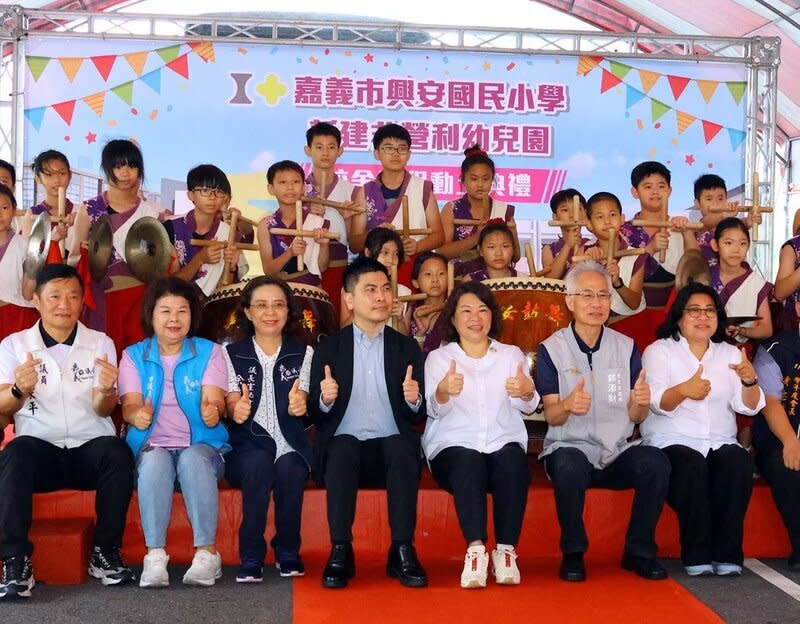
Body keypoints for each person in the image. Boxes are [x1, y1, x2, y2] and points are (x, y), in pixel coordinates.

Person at [0, 264, 135, 599]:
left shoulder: (100, 342)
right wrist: (19, 389)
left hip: (89, 448)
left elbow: (105, 410)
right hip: (41, 451)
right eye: (55, 296)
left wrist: (106, 391)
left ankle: (105, 552)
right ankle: (15, 561)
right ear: (36, 300)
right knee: (15, 453)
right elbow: (3, 408)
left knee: (117, 451)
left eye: (73, 296)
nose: (64, 304)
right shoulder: (14, 345)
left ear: (82, 302)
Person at [536, 261, 670, 582]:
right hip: (569, 446)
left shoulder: (625, 348)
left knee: (656, 462)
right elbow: (552, 415)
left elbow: (636, 417)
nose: (596, 304)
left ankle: (638, 551)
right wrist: (568, 405)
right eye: (587, 295)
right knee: (568, 464)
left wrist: (640, 404)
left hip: (615, 451)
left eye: (603, 295)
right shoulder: (551, 349)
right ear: (569, 301)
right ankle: (573, 552)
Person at [309, 256, 428, 589]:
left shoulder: (406, 348)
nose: (381, 297)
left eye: (386, 289)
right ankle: (341, 550)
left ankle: (402, 548)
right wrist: (324, 399)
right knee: (343, 445)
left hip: (391, 453)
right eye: (370, 289)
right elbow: (316, 417)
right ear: (349, 299)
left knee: (403, 446)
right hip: (344, 456)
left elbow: (417, 417)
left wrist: (413, 399)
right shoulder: (329, 348)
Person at [642, 282, 764, 576]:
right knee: (692, 464)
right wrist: (685, 389)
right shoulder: (660, 351)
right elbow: (659, 403)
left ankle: (728, 554)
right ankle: (696, 553)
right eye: (694, 310)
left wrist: (749, 381)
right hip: (671, 439)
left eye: (710, 310)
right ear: (679, 316)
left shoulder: (731, 354)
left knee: (737, 461)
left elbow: (748, 407)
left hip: (720, 439)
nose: (703, 317)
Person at [424, 281, 538, 588]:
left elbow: (526, 403)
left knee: (513, 461)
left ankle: (505, 551)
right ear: (453, 318)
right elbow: (434, 410)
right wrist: (444, 392)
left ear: (492, 316)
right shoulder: (439, 358)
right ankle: (475, 550)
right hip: (453, 445)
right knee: (468, 460)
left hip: (501, 440)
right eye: (466, 310)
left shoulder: (510, 355)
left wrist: (528, 392)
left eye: (483, 310)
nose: (476, 317)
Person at [119, 277, 229, 588]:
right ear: (151, 315)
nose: (174, 319)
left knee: (193, 459)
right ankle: (155, 555)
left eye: (182, 311)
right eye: (165, 311)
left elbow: (215, 399)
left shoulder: (211, 352)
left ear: (192, 316)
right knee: (154, 461)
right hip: (153, 446)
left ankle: (207, 554)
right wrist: (136, 414)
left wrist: (213, 410)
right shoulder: (133, 355)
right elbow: (129, 405)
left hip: (202, 446)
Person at [223, 276, 313, 582]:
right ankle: (251, 554)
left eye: (278, 305)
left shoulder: (304, 354)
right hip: (246, 448)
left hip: (290, 444)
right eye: (260, 305)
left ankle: (288, 550)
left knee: (290, 467)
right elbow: (228, 401)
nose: (270, 312)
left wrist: (301, 405)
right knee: (259, 463)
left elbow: (308, 401)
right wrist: (235, 409)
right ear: (247, 312)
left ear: (288, 311)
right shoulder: (230, 355)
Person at [69, 139, 164, 356]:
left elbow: (158, 263)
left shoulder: (152, 213)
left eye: (131, 165)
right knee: (101, 359)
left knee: (138, 359)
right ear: (107, 169)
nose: (125, 172)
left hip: (140, 299)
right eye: (118, 166)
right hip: (101, 297)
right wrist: (87, 253)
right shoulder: (90, 209)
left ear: (140, 170)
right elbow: (74, 257)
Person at [350, 124, 444, 285]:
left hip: (412, 268)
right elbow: (354, 243)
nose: (395, 153)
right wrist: (375, 234)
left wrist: (418, 246)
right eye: (388, 148)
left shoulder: (423, 188)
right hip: (375, 271)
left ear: (409, 154)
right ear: (376, 153)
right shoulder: (365, 192)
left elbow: (439, 236)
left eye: (401, 148)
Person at [752, 297, 800, 571]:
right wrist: (790, 440)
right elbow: (771, 403)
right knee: (787, 467)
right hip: (780, 438)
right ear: (798, 307)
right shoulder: (775, 349)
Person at [620, 161, 699, 308]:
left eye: (661, 186)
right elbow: (617, 273)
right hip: (632, 313)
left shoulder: (679, 227)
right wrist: (650, 249)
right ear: (635, 192)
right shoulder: (623, 231)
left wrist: (687, 232)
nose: (655, 192)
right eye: (648, 187)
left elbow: (695, 270)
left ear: (669, 190)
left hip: (672, 312)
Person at [166, 164, 248, 299]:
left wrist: (232, 267)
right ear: (191, 195)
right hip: (176, 308)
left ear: (225, 198)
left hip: (212, 313)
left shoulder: (231, 234)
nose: (212, 197)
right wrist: (200, 259)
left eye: (219, 192)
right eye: (205, 190)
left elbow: (227, 292)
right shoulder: (170, 228)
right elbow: (165, 285)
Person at [303, 122, 359, 313]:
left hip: (337, 267)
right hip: (302, 269)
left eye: (331, 147)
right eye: (319, 147)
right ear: (308, 150)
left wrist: (348, 218)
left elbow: (355, 244)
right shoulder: (296, 188)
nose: (325, 153)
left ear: (340, 150)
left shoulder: (352, 191)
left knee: (335, 324)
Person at [438, 146, 516, 276]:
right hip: (458, 280)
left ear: (492, 180)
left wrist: (513, 233)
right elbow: (442, 251)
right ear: (463, 180)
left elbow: (515, 257)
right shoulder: (451, 209)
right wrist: (475, 238)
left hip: (497, 280)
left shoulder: (504, 210)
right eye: (474, 179)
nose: (480, 184)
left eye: (485, 179)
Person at [257, 160, 331, 287]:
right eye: (282, 182)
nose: (290, 187)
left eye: (296, 182)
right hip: (279, 292)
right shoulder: (266, 225)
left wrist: (324, 245)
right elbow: (268, 270)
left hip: (311, 291)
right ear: (271, 188)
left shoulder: (314, 219)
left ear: (304, 187)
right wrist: (290, 253)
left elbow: (322, 267)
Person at [583, 192, 647, 319]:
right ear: (589, 224)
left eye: (612, 215)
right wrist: (587, 264)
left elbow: (634, 304)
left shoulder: (635, 255)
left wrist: (618, 282)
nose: (607, 221)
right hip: (594, 322)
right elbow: (572, 290)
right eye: (600, 217)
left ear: (622, 218)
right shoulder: (585, 252)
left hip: (628, 322)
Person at [709, 217, 773, 343]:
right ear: (715, 245)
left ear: (749, 246)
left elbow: (766, 329)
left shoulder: (756, 283)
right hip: (703, 348)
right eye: (728, 243)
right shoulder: (704, 276)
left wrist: (742, 330)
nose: (736, 250)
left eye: (742, 243)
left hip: (738, 353)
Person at [339, 227, 409, 330]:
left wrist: (399, 319)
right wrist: (362, 309)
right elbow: (343, 330)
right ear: (368, 252)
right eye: (385, 252)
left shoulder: (404, 292)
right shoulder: (351, 287)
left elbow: (406, 341)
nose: (391, 260)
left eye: (396, 254)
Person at [0, 184, 38, 341]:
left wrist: (34, 268)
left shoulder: (26, 245)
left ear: (14, 210)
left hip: (18, 320)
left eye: (4, 207)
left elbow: (28, 294)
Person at [27, 150, 75, 258]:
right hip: (44, 274)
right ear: (38, 179)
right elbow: (27, 257)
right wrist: (52, 240)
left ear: (70, 175)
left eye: (62, 173)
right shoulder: (32, 214)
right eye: (49, 175)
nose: (57, 180)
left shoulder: (79, 211)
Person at [403, 252, 448, 356]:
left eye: (441, 273)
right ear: (415, 282)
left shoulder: (454, 309)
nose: (435, 280)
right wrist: (420, 334)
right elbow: (409, 356)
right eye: (428, 274)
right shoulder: (411, 310)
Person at [540, 188, 589, 280]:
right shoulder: (549, 249)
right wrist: (567, 246)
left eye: (578, 209)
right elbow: (550, 278)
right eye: (565, 210)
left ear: (585, 215)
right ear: (555, 217)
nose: (572, 215)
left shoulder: (592, 245)